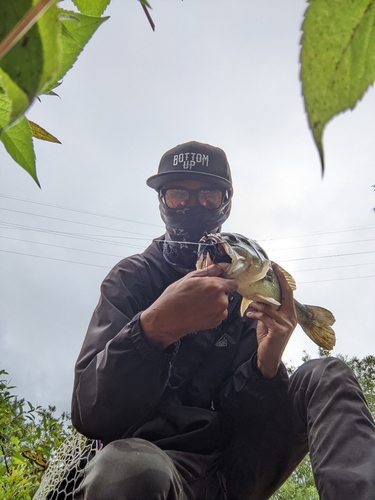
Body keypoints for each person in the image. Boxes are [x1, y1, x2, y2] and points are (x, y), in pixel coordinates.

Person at [71, 141, 375, 500]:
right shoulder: (131, 279)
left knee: (327, 374)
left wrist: (266, 363)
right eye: (178, 194)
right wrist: (156, 327)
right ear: (162, 201)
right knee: (126, 470)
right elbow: (91, 413)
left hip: (235, 472)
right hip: (150, 469)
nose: (192, 205)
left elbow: (246, 418)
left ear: (225, 204)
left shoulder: (245, 295)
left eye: (209, 196)